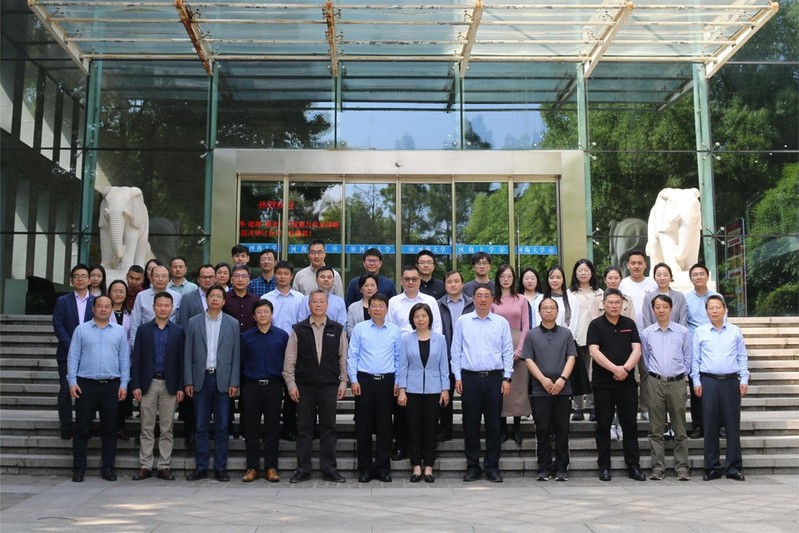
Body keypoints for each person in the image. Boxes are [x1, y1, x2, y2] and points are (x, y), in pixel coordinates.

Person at [284, 290, 349, 484]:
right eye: (315, 301)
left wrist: (343, 381)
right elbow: (289, 359)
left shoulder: (337, 329)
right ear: (309, 305)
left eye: (322, 301)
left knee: (329, 427)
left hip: (329, 385)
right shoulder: (298, 329)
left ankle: (329, 468)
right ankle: (303, 469)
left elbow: (343, 358)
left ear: (327, 305)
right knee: (304, 428)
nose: (318, 305)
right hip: (304, 386)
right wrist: (291, 384)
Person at [451, 284, 513, 483]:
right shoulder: (463, 321)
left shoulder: (501, 323)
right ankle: (473, 467)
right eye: (479, 296)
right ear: (473, 299)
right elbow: (456, 351)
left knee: (494, 425)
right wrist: (457, 377)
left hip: (494, 378)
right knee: (470, 425)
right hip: (469, 378)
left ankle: (492, 467)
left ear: (492, 299)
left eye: (487, 295)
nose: (483, 299)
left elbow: (507, 351)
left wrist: (507, 377)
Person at [67, 295, 130, 482]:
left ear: (111, 309)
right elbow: (73, 356)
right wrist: (72, 382)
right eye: (100, 306)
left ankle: (108, 467)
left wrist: (124, 384)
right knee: (82, 429)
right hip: (85, 385)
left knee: (110, 429)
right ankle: (79, 469)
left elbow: (124, 359)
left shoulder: (119, 331)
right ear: (93, 309)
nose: (103, 309)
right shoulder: (81, 330)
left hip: (111, 385)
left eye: (107, 306)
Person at [587, 288, 645, 482]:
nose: (614, 306)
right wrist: (614, 369)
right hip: (603, 383)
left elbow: (637, 349)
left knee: (630, 425)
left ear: (622, 304)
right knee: (603, 425)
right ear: (603, 303)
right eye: (610, 302)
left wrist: (625, 369)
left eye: (617, 302)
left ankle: (633, 465)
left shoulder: (629, 324)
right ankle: (604, 466)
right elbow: (594, 351)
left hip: (627, 383)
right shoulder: (595, 325)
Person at [184, 284, 241, 482]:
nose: (215, 299)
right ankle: (201, 467)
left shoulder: (232, 323)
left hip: (223, 379)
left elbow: (236, 355)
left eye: (219, 296)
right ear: (206, 299)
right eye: (211, 296)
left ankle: (220, 467)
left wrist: (234, 381)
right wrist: (188, 381)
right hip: (200, 379)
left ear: (224, 301)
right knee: (200, 425)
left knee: (222, 426)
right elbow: (188, 353)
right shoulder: (193, 322)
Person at [386, 264, 442, 460]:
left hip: (426, 357)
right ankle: (402, 444)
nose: (411, 282)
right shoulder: (394, 302)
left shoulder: (430, 301)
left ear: (420, 281)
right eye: (407, 279)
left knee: (425, 410)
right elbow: (390, 331)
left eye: (414, 279)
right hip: (401, 357)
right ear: (401, 281)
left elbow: (437, 329)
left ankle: (426, 450)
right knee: (401, 406)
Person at [692, 294, 749, 482]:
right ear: (706, 311)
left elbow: (742, 356)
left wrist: (744, 378)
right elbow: (695, 359)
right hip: (708, 382)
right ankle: (712, 467)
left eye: (718, 307)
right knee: (710, 426)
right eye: (711, 308)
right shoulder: (700, 332)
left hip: (731, 382)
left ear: (725, 309)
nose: (714, 311)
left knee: (732, 426)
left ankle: (733, 467)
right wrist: (696, 381)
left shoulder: (735, 331)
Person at [130, 291, 185, 481]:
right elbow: (137, 359)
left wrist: (180, 386)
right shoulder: (144, 330)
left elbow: (181, 361)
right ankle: (145, 465)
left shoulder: (178, 331)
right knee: (146, 426)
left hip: (170, 384)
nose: (163, 308)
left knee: (166, 427)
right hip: (148, 383)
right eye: (159, 305)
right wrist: (136, 384)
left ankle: (164, 465)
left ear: (172, 308)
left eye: (166, 305)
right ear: (153, 307)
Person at [348, 293, 403, 483]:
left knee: (385, 427)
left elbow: (398, 358)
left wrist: (398, 381)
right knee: (363, 427)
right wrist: (353, 380)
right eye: (374, 306)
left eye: (381, 306)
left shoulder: (395, 330)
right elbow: (353, 355)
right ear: (369, 309)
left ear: (387, 309)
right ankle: (364, 469)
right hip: (364, 381)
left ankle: (382, 468)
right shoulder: (360, 329)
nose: (377, 309)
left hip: (387, 382)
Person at [522, 297, 577, 481]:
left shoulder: (566, 334)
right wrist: (542, 379)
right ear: (539, 312)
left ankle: (562, 467)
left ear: (557, 311)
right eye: (544, 308)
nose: (548, 311)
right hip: (540, 389)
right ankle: (544, 467)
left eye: (552, 308)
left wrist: (562, 379)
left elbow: (571, 358)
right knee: (542, 429)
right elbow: (528, 359)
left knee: (562, 429)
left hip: (563, 389)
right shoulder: (532, 335)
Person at [640, 294, 691, 481]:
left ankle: (682, 467)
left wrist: (680, 375)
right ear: (653, 310)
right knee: (656, 429)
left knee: (680, 428)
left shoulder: (682, 332)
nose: (661, 310)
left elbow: (688, 358)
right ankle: (658, 468)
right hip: (655, 383)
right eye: (657, 307)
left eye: (665, 307)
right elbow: (646, 360)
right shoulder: (647, 334)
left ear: (671, 309)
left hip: (677, 382)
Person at [397, 303, 449, 483]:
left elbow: (444, 366)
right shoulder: (406, 339)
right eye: (417, 316)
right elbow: (402, 366)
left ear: (430, 318)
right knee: (413, 429)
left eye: (424, 316)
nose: (420, 319)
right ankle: (416, 466)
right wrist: (402, 390)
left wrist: (445, 389)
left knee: (430, 429)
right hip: (412, 389)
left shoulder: (440, 339)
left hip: (434, 389)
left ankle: (428, 466)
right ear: (412, 319)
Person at [240, 300, 289, 483]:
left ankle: (271, 467)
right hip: (251, 386)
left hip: (273, 386)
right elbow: (241, 361)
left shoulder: (282, 336)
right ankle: (252, 467)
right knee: (251, 428)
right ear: (254, 316)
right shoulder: (246, 336)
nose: (262, 315)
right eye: (259, 312)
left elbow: (286, 362)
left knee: (272, 427)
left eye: (266, 311)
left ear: (271, 314)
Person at [262, 260, 306, 442]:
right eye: (279, 273)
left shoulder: (301, 299)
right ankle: (270, 428)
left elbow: (303, 322)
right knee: (273, 389)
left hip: (294, 348)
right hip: (272, 347)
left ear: (291, 276)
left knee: (291, 390)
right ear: (275, 275)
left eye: (286, 274)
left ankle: (289, 428)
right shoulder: (267, 298)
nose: (282, 277)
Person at [176, 263, 217, 448]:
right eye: (204, 277)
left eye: (210, 276)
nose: (207, 279)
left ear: (215, 278)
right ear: (198, 279)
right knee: (192, 400)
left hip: (214, 356)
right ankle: (190, 434)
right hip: (194, 355)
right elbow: (184, 327)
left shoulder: (219, 297)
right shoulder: (187, 298)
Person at [52, 264, 94, 440]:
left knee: (88, 393)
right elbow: (58, 325)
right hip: (66, 353)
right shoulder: (63, 301)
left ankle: (85, 426)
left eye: (84, 276)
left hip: (90, 355)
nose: (80, 279)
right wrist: (73, 346)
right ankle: (66, 426)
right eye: (77, 276)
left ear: (89, 280)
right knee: (65, 390)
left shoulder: (96, 302)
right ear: (71, 280)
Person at [491, 264, 530, 445]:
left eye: (509, 276)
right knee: (500, 387)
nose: (506, 279)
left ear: (514, 278)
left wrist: (520, 348)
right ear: (497, 278)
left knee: (518, 388)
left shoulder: (521, 299)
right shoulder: (493, 300)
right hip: (497, 344)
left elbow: (526, 325)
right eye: (502, 276)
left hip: (517, 342)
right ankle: (502, 429)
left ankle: (516, 428)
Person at [618, 249, 657, 421]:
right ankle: (628, 407)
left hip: (648, 335)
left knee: (646, 372)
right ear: (627, 265)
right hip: (626, 336)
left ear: (645, 265)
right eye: (633, 263)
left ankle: (645, 407)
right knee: (627, 371)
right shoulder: (622, 285)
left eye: (640, 263)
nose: (636, 266)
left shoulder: (652, 285)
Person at [223, 264, 260, 439]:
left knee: (248, 393)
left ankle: (246, 429)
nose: (240, 279)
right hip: (227, 350)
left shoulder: (255, 299)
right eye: (236, 276)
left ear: (249, 280)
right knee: (227, 391)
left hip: (250, 352)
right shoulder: (224, 298)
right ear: (231, 279)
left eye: (244, 276)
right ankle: (228, 428)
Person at [436, 270, 474, 442]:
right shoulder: (438, 305)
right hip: (445, 356)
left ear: (462, 284)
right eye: (449, 281)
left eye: (456, 281)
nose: (453, 285)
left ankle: (469, 429)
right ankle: (445, 429)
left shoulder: (471, 303)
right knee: (445, 395)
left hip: (468, 358)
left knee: (469, 398)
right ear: (444, 285)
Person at [684, 262, 718, 438]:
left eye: (701, 274)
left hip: (713, 346)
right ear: (691, 278)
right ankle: (698, 425)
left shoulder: (716, 297)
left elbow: (722, 320)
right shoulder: (686, 299)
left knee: (715, 388)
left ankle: (718, 425)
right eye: (695, 274)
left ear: (707, 276)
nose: (698, 277)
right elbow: (684, 322)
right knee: (695, 387)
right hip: (694, 347)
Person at [568, 259, 603, 422]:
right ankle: (578, 407)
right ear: (575, 273)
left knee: (593, 374)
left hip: (596, 339)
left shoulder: (600, 293)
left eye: (586, 270)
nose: (583, 273)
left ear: (592, 273)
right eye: (580, 270)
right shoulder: (569, 294)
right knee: (577, 374)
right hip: (576, 337)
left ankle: (593, 406)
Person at [130, 265, 181, 350]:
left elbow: (179, 322)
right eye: (157, 276)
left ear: (169, 279)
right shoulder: (141, 296)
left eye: (164, 276)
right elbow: (135, 324)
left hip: (170, 343)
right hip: (146, 341)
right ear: (151, 278)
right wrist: (134, 346)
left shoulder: (177, 297)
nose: (160, 279)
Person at [108, 279, 133, 440]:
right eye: (115, 290)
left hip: (126, 359)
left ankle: (120, 427)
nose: (118, 294)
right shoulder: (104, 311)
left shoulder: (130, 314)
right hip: (108, 359)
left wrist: (126, 351)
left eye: (121, 291)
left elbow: (132, 335)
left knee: (123, 395)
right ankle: (109, 428)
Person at [642, 262, 687, 328]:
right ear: (654, 278)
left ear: (671, 277)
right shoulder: (648, 297)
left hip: (677, 333)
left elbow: (683, 319)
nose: (662, 278)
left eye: (665, 275)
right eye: (658, 275)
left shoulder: (679, 296)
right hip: (653, 333)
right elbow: (647, 321)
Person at [542, 265, 579, 339]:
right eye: (552, 278)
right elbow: (538, 321)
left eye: (558, 277)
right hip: (545, 339)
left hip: (566, 340)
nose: (555, 280)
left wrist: (566, 339)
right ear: (548, 280)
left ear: (563, 280)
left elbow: (574, 323)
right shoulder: (541, 299)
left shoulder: (572, 299)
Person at [346, 273, 378, 337]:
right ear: (360, 289)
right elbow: (349, 329)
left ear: (377, 288)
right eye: (366, 286)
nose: (369, 288)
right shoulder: (353, 308)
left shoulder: (383, 307)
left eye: (372, 285)